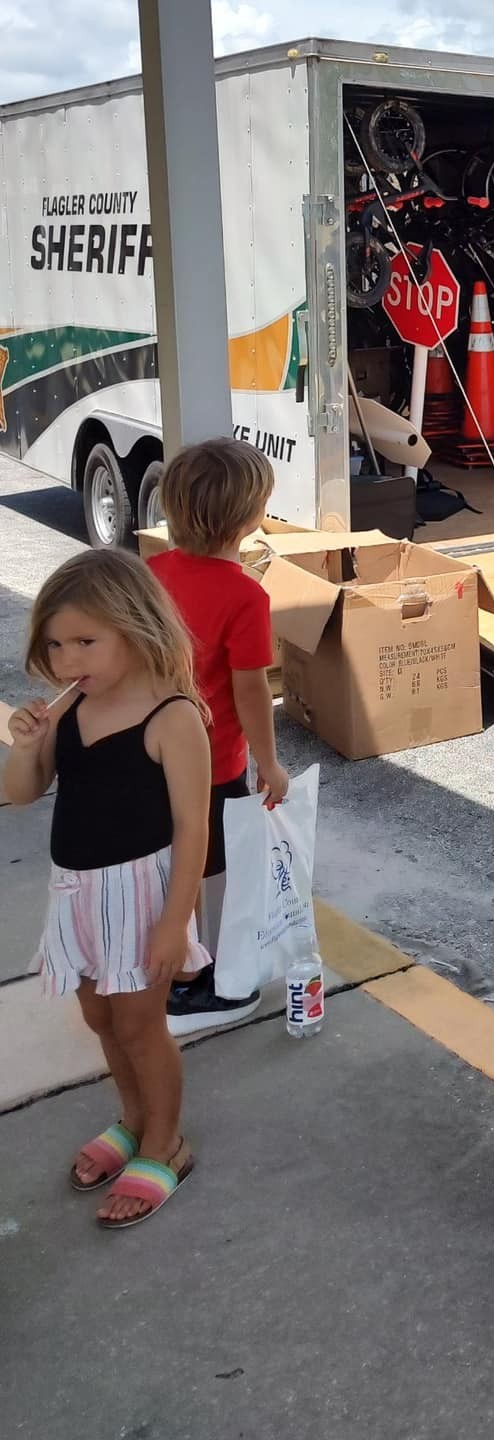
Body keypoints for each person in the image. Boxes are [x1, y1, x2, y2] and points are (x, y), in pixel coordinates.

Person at [5, 548, 211, 1229]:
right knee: (99, 1017)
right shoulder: (69, 712)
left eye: (85, 643)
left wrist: (174, 922)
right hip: (77, 893)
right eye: (55, 645)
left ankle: (165, 1141)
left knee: (139, 1024)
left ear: (135, 626)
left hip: (141, 896)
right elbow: (21, 794)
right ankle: (133, 1117)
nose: (67, 661)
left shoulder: (172, 716)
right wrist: (25, 746)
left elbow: (193, 828)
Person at [148, 438, 288, 1035]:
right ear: (250, 517)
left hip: (150, 755)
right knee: (203, 871)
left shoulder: (150, 574)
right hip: (212, 763)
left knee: (163, 863)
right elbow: (250, 690)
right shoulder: (245, 595)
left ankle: (170, 968)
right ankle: (186, 984)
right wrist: (270, 763)